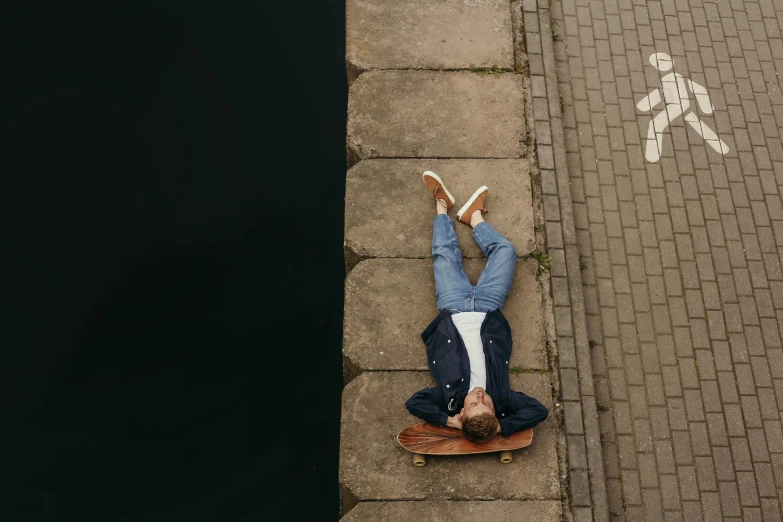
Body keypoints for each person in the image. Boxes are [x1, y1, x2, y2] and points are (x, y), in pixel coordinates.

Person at [405, 171, 549, 444]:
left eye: (474, 404)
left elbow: (415, 402)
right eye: (487, 405)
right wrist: (501, 429)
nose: (481, 397)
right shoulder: (503, 396)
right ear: (496, 412)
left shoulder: (448, 399)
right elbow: (538, 411)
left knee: (444, 254)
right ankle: (474, 217)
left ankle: (442, 206)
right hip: (488, 307)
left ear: (462, 412)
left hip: (452, 307)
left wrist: (448, 421)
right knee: (506, 251)